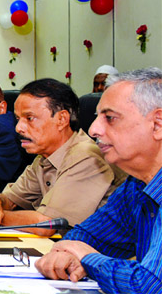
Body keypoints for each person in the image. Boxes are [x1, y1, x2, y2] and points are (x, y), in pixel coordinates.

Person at [35, 67, 162, 292]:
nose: (93, 129)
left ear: (158, 124)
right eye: (97, 117)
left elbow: (149, 285)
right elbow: (85, 235)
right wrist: (68, 253)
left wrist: (87, 258)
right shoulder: (136, 185)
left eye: (110, 118)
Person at [0, 79, 126, 236]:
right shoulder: (43, 157)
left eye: (29, 118)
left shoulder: (86, 156)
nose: (19, 128)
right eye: (18, 119)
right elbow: (10, 199)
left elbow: (46, 225)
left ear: (62, 120)